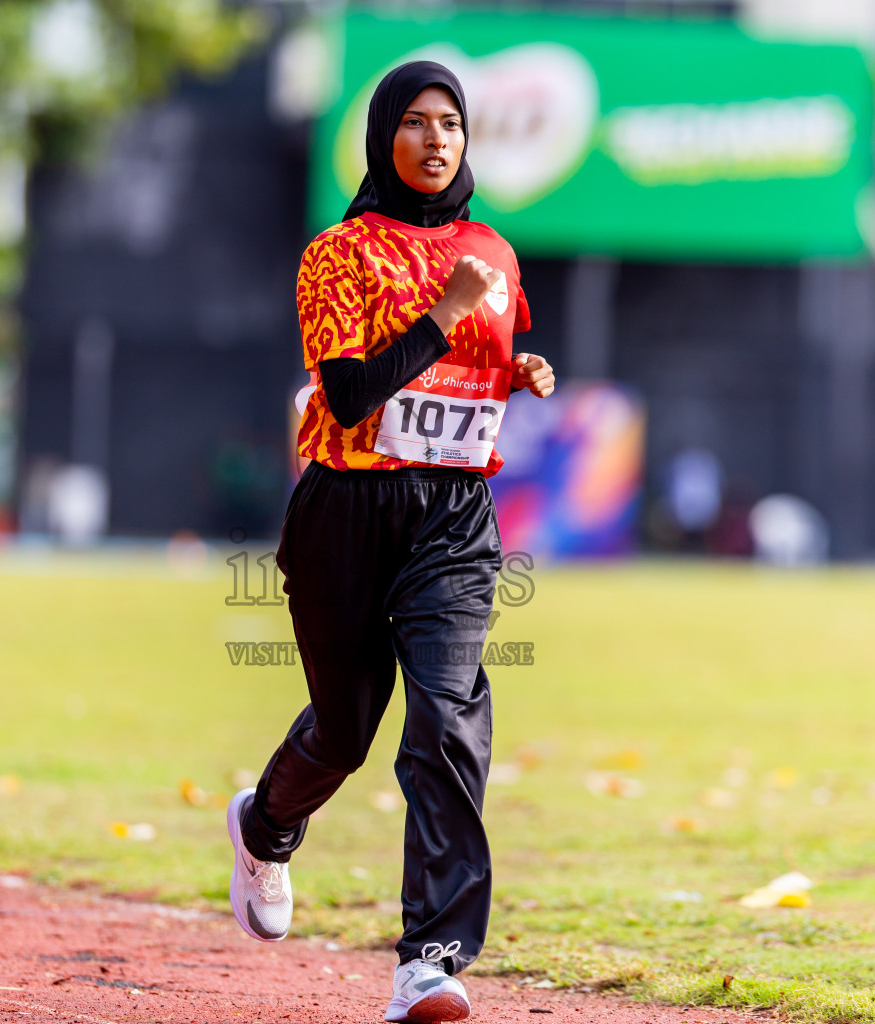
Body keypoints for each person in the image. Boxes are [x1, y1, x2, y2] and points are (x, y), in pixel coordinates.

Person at [225, 61, 555, 1024]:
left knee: (448, 719)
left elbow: (480, 372)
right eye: (413, 123)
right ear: (383, 139)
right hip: (346, 512)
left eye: (450, 122)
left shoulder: (493, 250)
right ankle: (266, 823)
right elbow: (351, 396)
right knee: (346, 728)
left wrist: (520, 369)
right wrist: (445, 313)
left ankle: (431, 960)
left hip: (454, 515)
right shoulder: (338, 254)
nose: (436, 139)